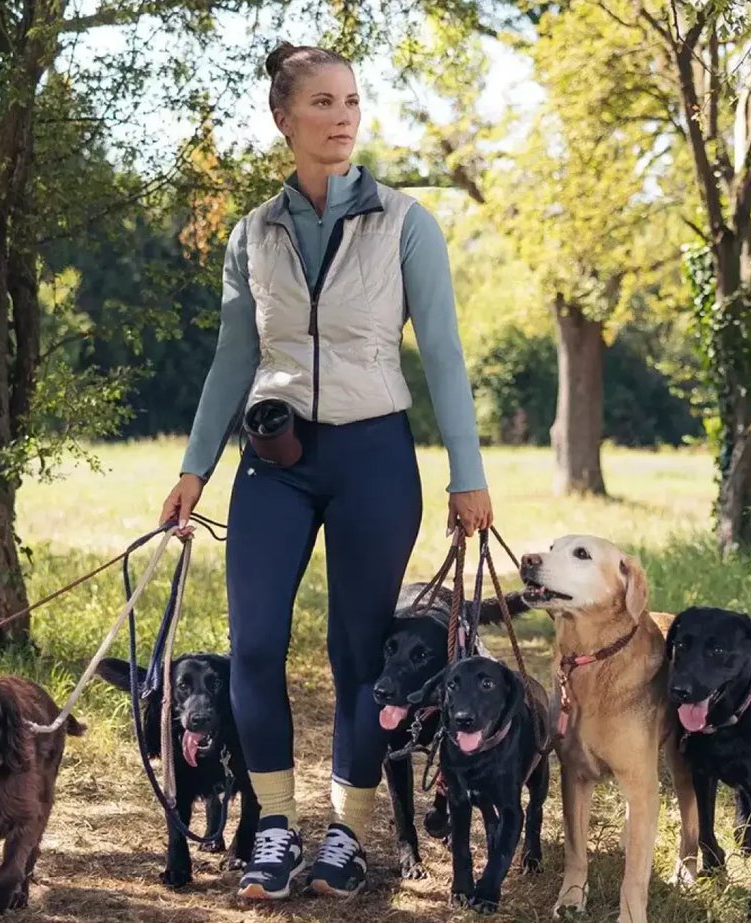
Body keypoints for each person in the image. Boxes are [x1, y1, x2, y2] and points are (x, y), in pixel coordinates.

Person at [158, 41, 494, 901]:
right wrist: (195, 468)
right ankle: (272, 828)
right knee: (255, 646)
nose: (342, 119)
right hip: (274, 461)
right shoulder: (252, 233)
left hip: (375, 456)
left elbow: (446, 357)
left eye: (351, 103)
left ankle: (345, 832)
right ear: (285, 118)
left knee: (357, 655)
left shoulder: (405, 223)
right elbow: (233, 360)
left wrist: (469, 473)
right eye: (323, 104)